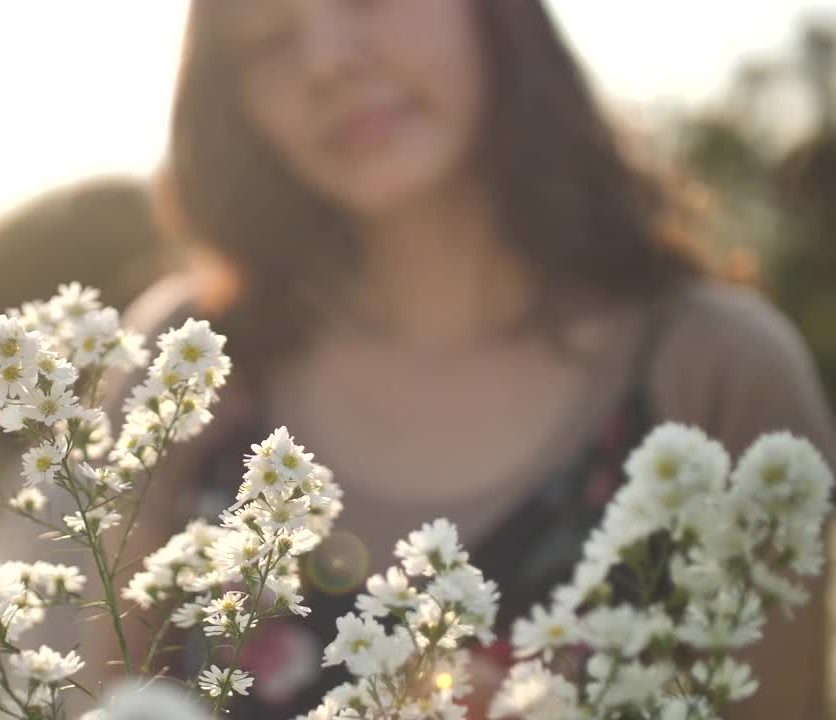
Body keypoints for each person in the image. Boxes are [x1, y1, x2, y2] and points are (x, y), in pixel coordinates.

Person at [104, 1, 836, 718]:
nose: (325, 63)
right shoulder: (183, 367)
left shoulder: (719, 372)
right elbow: (105, 690)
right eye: (266, 41)